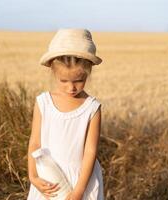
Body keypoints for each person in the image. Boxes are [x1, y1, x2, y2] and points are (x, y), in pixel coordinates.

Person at [27, 28, 104, 200]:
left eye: (79, 81)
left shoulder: (92, 108)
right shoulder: (43, 103)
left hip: (81, 182)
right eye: (64, 81)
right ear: (53, 71)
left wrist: (79, 190)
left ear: (88, 72)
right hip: (48, 179)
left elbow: (90, 151)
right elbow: (35, 143)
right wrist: (33, 177)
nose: (71, 88)